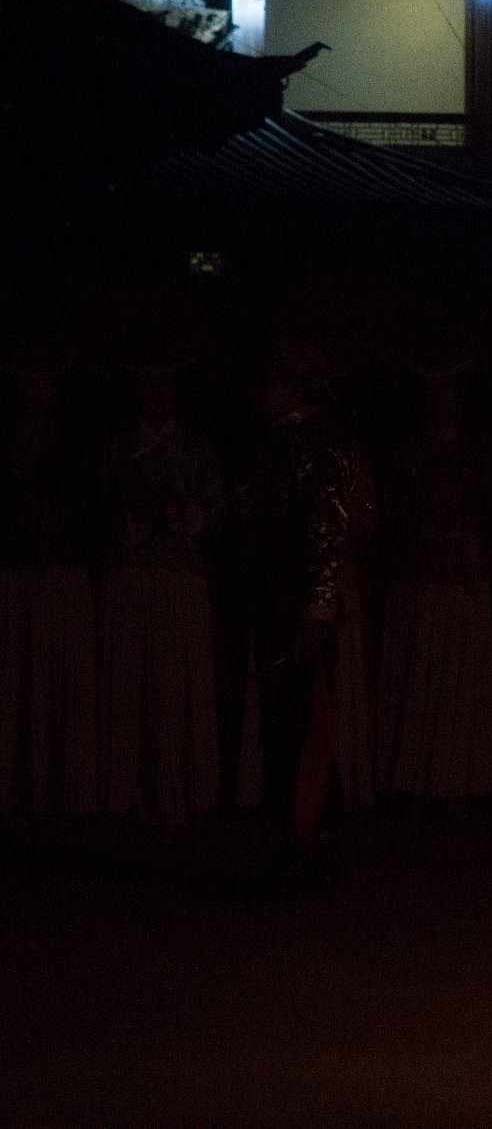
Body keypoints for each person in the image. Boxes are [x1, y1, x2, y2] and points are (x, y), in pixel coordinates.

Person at [234, 338, 377, 879]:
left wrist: (317, 609)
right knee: (286, 719)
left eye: (269, 382)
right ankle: (298, 839)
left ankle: (306, 841)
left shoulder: (314, 446)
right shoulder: (277, 445)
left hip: (298, 607)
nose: (258, 393)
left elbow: (326, 533)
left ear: (294, 387)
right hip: (277, 600)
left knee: (304, 719)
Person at [91, 338, 226, 826]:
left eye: (164, 380)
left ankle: (175, 792)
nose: (156, 390)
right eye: (147, 380)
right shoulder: (116, 449)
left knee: (174, 689)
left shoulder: (196, 449)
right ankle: (125, 794)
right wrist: (130, 523)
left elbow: (217, 513)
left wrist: (187, 516)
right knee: (127, 688)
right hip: (128, 581)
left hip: (178, 581)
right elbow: (99, 513)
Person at [377, 354, 492, 806]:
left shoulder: (477, 453)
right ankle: (411, 779)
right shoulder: (409, 453)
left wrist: (461, 527)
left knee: (457, 678)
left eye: (446, 392)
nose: (438, 401)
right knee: (417, 674)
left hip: (461, 575)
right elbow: (391, 510)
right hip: (417, 574)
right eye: (431, 392)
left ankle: (457, 782)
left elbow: (490, 509)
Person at [0, 348, 92, 822]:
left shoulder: (72, 445)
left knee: (55, 682)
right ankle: (13, 785)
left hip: (58, 573)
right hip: (15, 572)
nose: (37, 391)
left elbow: (85, 505)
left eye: (45, 381)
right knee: (13, 680)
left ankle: (53, 786)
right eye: (28, 380)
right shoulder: (8, 443)